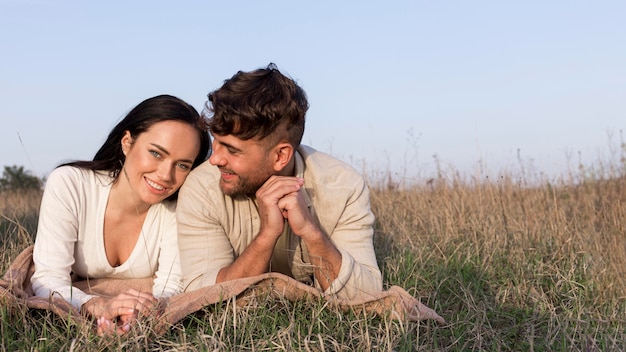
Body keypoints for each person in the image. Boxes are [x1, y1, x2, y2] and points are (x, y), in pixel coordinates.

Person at [177, 64, 382, 300]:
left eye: (232, 150)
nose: (214, 159)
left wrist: (310, 232)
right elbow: (199, 297)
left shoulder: (344, 187)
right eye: (216, 141)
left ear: (280, 156)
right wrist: (266, 236)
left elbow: (367, 296)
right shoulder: (202, 188)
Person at [30, 94, 211, 334]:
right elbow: (49, 279)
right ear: (127, 142)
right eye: (156, 153)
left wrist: (133, 316)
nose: (166, 175)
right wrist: (97, 305)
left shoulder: (178, 208)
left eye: (182, 165)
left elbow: (171, 287)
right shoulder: (70, 184)